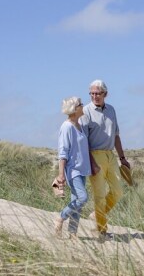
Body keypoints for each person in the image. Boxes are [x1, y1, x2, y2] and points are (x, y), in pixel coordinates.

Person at [80, 79, 130, 239]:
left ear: (105, 94)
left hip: (110, 155)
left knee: (118, 191)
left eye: (98, 93)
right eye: (92, 93)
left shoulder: (112, 110)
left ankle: (96, 214)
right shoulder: (86, 111)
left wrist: (122, 158)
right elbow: (83, 140)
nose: (95, 96)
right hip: (94, 154)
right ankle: (101, 230)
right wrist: (91, 162)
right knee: (99, 195)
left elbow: (116, 135)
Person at [54, 96, 99, 239]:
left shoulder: (79, 126)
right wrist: (61, 174)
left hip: (82, 169)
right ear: (74, 109)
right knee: (82, 198)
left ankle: (72, 233)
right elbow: (63, 152)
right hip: (72, 170)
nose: (83, 106)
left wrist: (93, 165)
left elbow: (85, 149)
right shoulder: (66, 127)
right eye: (81, 104)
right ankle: (60, 218)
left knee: (77, 203)